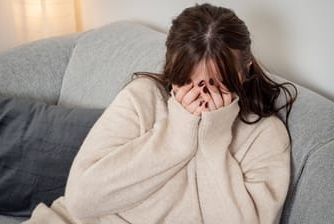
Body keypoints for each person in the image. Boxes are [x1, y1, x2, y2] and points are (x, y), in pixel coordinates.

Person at [23, 3, 297, 224]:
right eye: (187, 82)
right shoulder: (143, 97)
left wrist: (213, 141)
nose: (200, 96)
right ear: (171, 68)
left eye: (213, 84)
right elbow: (81, 201)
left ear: (244, 70)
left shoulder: (264, 136)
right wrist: (177, 137)